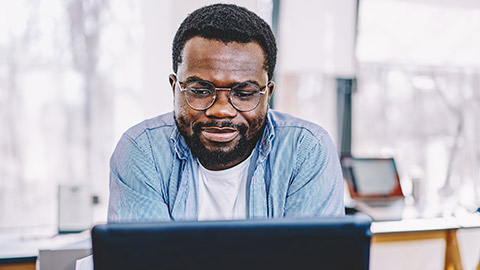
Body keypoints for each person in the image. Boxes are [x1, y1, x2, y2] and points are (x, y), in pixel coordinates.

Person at [108, 3, 344, 222]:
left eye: (243, 93)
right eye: (200, 91)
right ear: (174, 88)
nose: (221, 110)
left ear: (268, 94)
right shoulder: (142, 150)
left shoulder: (306, 149)